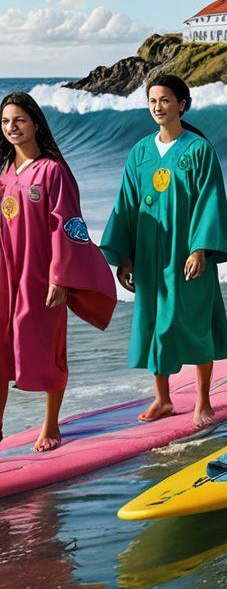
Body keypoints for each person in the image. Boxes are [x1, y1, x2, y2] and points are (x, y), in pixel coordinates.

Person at [101, 75, 227, 428]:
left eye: (165, 100)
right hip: (147, 251)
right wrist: (125, 257)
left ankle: (204, 399)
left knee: (194, 322)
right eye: (152, 101)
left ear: (182, 105)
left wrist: (201, 249)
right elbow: (126, 205)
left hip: (186, 253)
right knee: (156, 324)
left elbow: (210, 201)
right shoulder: (140, 152)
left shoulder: (198, 150)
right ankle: (162, 400)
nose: (158, 107)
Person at [0, 93, 117, 451]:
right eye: (5, 122)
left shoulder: (53, 171)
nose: (11, 128)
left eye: (19, 120)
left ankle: (50, 426)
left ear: (35, 122)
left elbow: (67, 225)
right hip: (6, 275)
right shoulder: (4, 173)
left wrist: (60, 277)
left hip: (41, 275)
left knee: (49, 347)